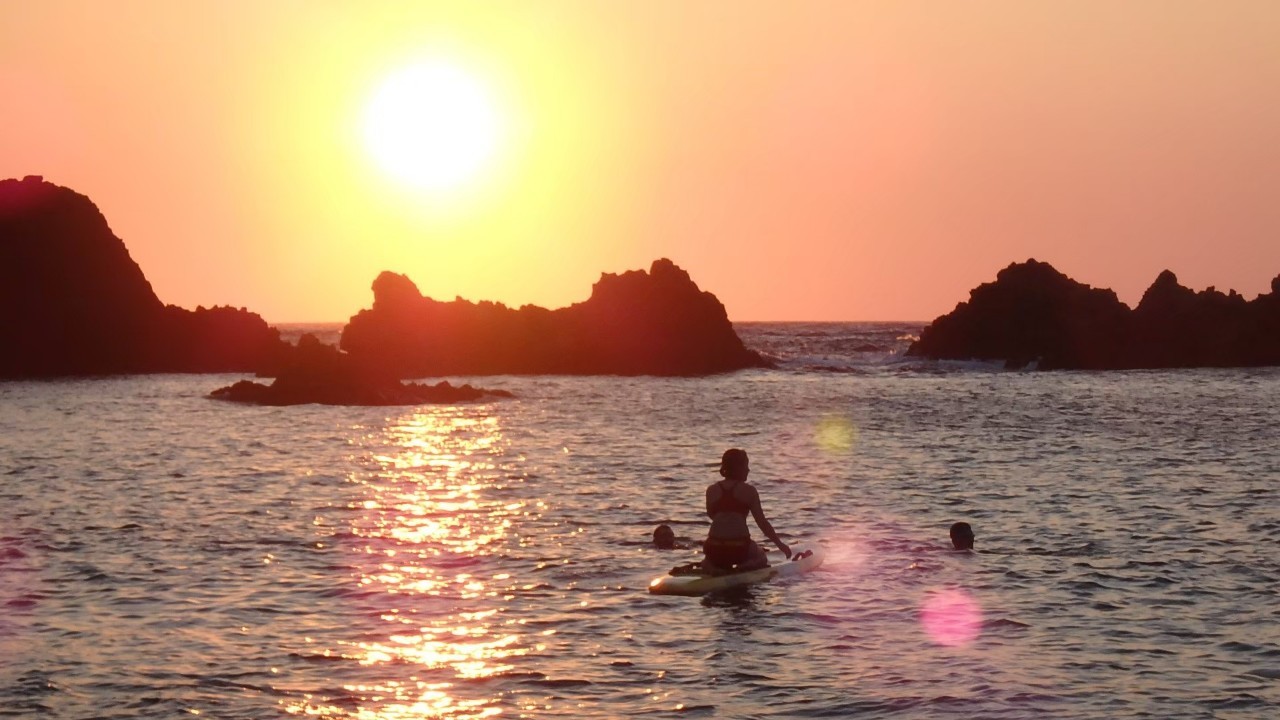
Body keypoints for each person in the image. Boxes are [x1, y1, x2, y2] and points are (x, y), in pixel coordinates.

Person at [702, 448, 791, 573]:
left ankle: (713, 568)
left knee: (707, 560)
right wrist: (780, 545)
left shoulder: (711, 490)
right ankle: (744, 567)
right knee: (761, 556)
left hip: (714, 548)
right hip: (739, 549)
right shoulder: (749, 491)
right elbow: (762, 523)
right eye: (746, 466)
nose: (748, 470)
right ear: (738, 468)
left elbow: (712, 516)